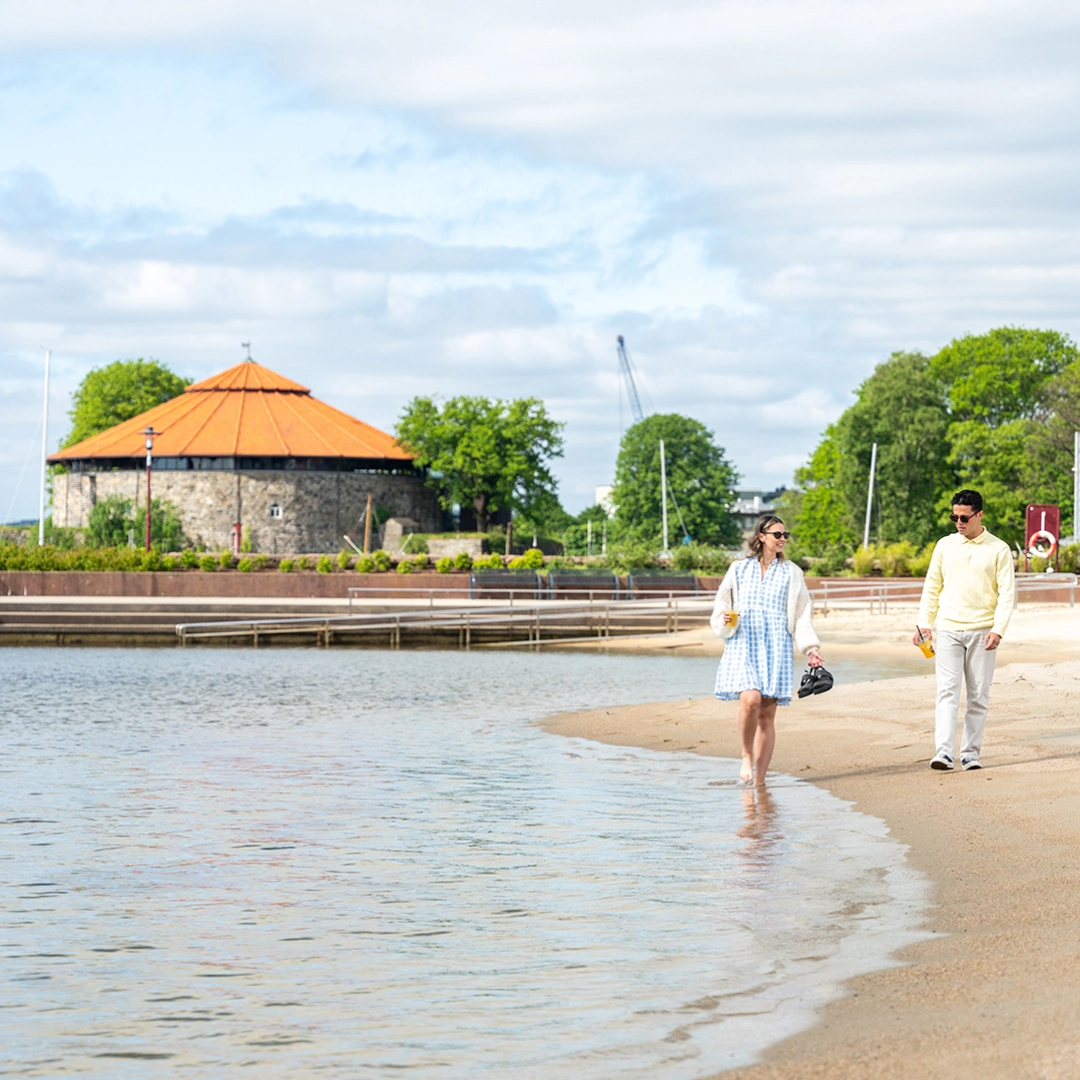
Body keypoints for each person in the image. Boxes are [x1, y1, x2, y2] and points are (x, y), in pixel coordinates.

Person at [711, 514, 823, 786]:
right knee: (750, 700)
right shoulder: (738, 569)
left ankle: (759, 782)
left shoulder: (793, 572)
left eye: (785, 535)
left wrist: (811, 648)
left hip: (777, 644)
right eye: (777, 534)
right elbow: (722, 604)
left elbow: (801, 614)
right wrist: (724, 618)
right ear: (761, 536)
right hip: (743, 641)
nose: (783, 539)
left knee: (766, 715)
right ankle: (746, 756)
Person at [914, 489, 1016, 772]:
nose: (958, 522)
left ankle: (970, 754)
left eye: (964, 517)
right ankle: (944, 754)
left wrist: (999, 629)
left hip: (983, 631)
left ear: (979, 515)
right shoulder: (944, 545)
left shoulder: (999, 549)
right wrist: (924, 624)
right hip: (947, 629)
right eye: (954, 516)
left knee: (978, 695)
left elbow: (1007, 594)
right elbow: (931, 587)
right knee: (947, 692)